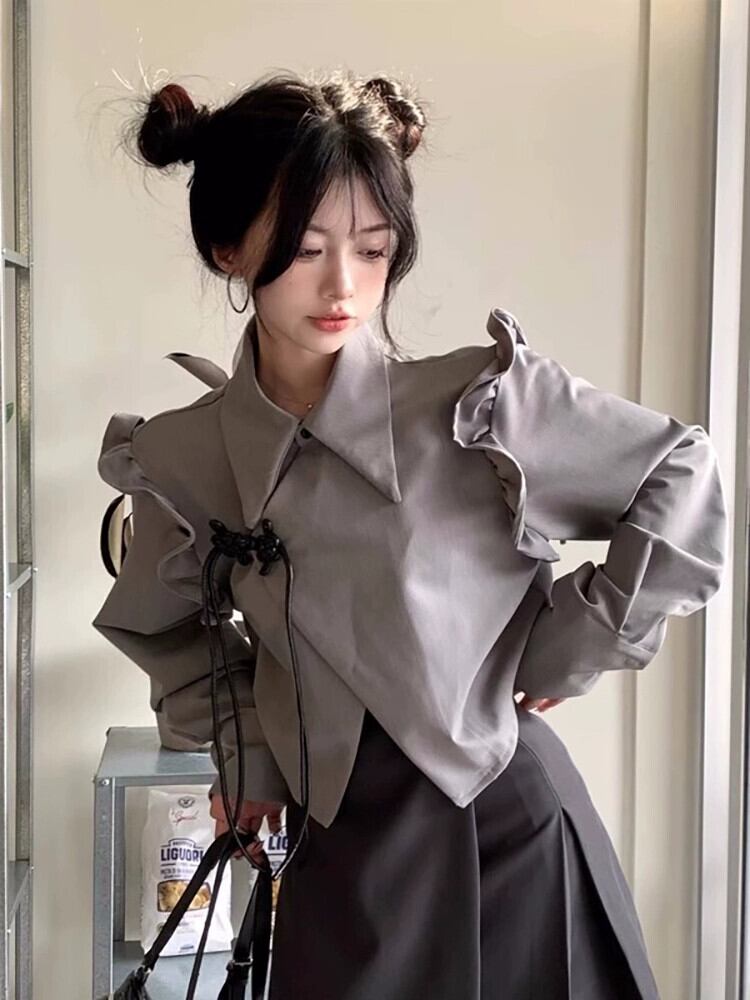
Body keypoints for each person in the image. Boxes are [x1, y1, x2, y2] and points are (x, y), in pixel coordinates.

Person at [92, 68, 728, 999]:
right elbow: (166, 631)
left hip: (506, 834)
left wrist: (572, 643)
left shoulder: (476, 403)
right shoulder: (182, 456)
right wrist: (249, 756)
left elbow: (681, 470)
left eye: (374, 249)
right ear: (229, 248)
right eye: (307, 248)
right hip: (339, 849)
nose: (344, 285)